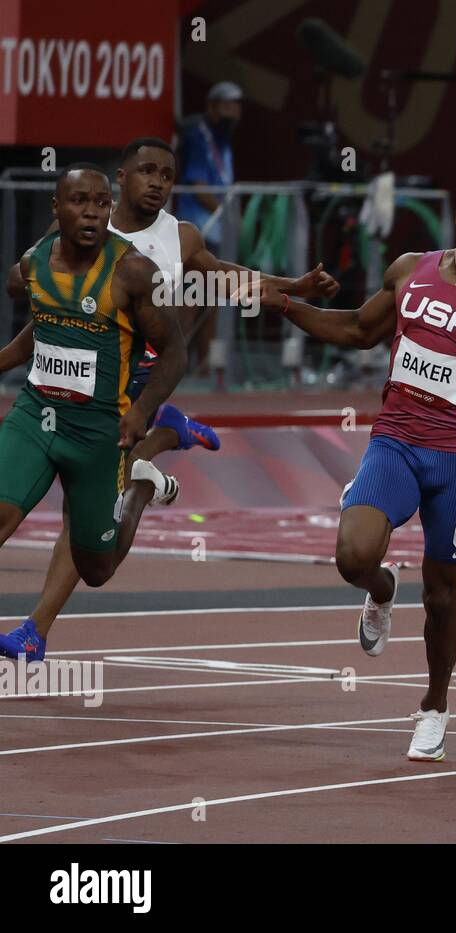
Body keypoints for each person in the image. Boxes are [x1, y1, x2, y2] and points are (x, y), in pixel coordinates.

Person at [256, 179, 456, 762]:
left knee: (443, 599)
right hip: (395, 441)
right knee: (353, 557)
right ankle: (380, 587)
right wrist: (292, 308)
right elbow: (355, 329)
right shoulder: (409, 270)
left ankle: (434, 706)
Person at [0, 138, 339, 660]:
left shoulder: (177, 238)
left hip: (132, 386)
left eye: (167, 175)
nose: (158, 182)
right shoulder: (78, 220)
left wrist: (293, 286)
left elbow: (223, 279)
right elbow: (44, 311)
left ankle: (38, 625)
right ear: (121, 178)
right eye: (147, 171)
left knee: (83, 528)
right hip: (57, 392)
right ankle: (162, 441)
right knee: (62, 515)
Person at [0, 164, 187, 621]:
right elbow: (40, 326)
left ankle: (140, 489)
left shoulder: (134, 273)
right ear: (57, 208)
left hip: (98, 434)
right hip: (35, 417)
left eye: (101, 204)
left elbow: (175, 353)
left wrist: (143, 410)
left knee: (97, 568)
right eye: (79, 202)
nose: (91, 214)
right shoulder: (34, 264)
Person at [176, 80, 242, 378]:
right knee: (190, 302)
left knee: (212, 303)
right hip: (196, 232)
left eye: (237, 106)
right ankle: (176, 368)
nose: (234, 112)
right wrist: (226, 214)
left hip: (216, 237)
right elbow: (199, 186)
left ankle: (206, 369)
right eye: (228, 105)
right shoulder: (199, 137)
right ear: (212, 107)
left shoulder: (223, 137)